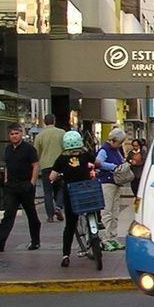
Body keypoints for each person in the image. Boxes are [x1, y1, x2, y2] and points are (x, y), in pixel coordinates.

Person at [49, 130, 97, 267]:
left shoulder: (61, 158)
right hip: (86, 190)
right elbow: (97, 162)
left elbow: (52, 177)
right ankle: (96, 226)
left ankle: (66, 255)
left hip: (71, 194)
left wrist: (58, 177)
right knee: (93, 209)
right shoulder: (85, 154)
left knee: (70, 225)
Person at [0, 123, 41, 252]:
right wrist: (6, 180)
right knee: (8, 213)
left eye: (16, 133)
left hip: (26, 185)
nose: (14, 136)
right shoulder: (8, 149)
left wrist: (32, 183)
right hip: (11, 187)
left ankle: (35, 241)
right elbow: (8, 166)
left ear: (21, 134)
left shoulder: (29, 149)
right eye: (12, 134)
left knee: (31, 215)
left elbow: (36, 165)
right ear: (9, 136)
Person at [95, 128, 127, 251]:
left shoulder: (116, 150)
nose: (120, 145)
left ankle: (114, 237)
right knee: (107, 212)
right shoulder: (104, 150)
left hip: (115, 183)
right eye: (120, 142)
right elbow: (97, 162)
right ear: (113, 140)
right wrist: (113, 167)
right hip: (106, 183)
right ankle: (105, 239)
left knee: (114, 212)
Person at [33, 113, 65, 223]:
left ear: (44, 122)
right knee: (60, 188)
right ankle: (58, 207)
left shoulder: (39, 136)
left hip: (46, 166)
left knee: (47, 192)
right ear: (54, 121)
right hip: (60, 166)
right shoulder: (62, 133)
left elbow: (36, 153)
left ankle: (50, 216)